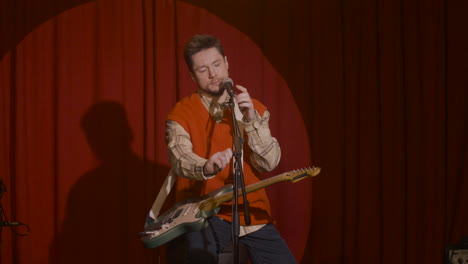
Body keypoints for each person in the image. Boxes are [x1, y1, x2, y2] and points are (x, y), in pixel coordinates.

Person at [164, 34, 296, 264]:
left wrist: (251, 120)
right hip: (203, 212)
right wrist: (206, 166)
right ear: (192, 76)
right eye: (203, 69)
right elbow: (180, 158)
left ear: (227, 62)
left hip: (251, 210)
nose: (213, 74)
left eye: (216, 65)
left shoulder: (253, 107)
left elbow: (270, 163)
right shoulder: (180, 114)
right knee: (197, 257)